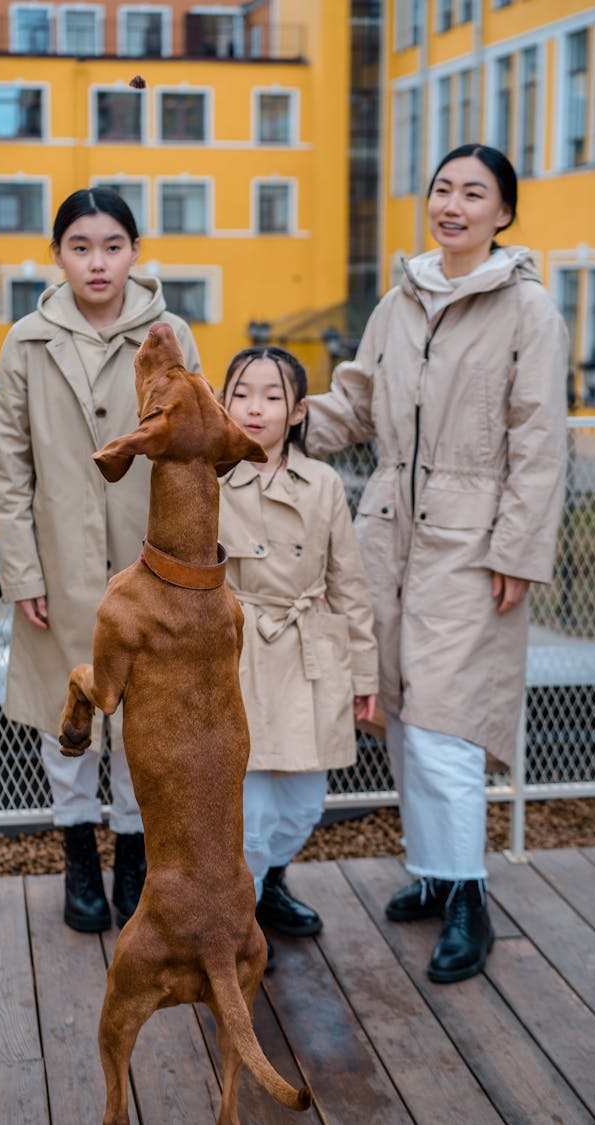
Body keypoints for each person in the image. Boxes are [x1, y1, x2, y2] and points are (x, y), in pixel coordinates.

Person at [305, 144, 568, 983]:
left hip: (473, 535)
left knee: (450, 724)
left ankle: (470, 900)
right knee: (408, 713)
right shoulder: (400, 299)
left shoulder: (529, 310)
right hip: (387, 530)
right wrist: (257, 421)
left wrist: (519, 547)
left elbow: (539, 442)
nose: (452, 204)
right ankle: (434, 870)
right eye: (443, 189)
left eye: (473, 193)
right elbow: (351, 403)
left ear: (504, 213)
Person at [0, 187, 201, 933]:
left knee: (146, 719)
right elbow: (9, 466)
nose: (98, 261)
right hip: (60, 564)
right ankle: (79, 852)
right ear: (57, 256)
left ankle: (135, 859)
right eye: (80, 246)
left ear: (135, 251)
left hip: (152, 567)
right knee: (68, 716)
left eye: (113, 245)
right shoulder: (26, 340)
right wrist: (22, 572)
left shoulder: (170, 333)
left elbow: (194, 451)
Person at [218, 345, 379, 966]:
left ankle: (268, 885)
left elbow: (351, 585)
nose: (254, 407)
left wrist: (363, 672)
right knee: (248, 808)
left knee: (304, 802)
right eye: (240, 393)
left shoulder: (325, 484)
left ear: (298, 411)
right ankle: (239, 924)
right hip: (238, 651)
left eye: (271, 395)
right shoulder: (207, 477)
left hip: (308, 648)